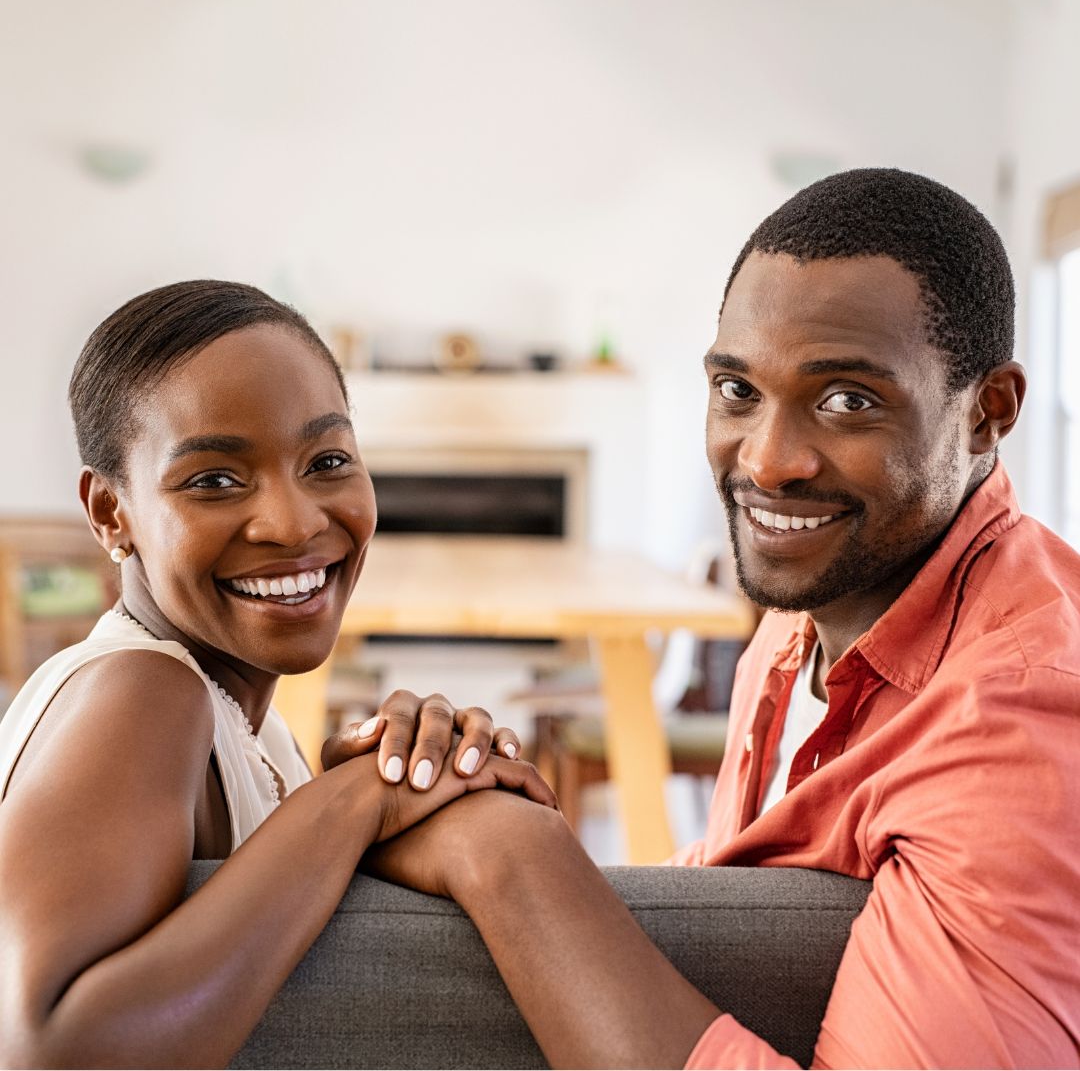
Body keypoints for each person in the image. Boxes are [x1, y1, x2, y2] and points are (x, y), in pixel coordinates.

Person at [364, 169, 1080, 1068]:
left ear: (989, 412)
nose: (767, 462)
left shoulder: (1022, 718)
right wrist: (510, 815)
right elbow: (752, 896)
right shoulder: (808, 610)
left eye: (847, 400)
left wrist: (506, 862)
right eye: (738, 391)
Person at [0, 280, 556, 1068]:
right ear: (109, 513)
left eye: (327, 461)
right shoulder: (147, 692)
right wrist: (354, 798)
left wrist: (390, 806)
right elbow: (51, 1049)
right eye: (215, 480)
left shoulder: (240, 712)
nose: (294, 523)